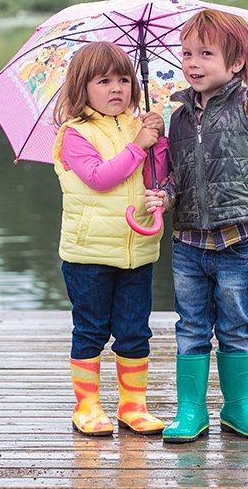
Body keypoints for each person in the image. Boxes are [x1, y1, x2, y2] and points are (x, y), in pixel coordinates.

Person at [143, 9, 248, 443]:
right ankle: (191, 411)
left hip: (237, 239)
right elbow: (176, 175)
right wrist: (165, 195)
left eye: (205, 54)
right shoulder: (176, 118)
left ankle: (238, 408)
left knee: (235, 323)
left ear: (235, 64)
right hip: (188, 241)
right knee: (191, 325)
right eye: (187, 52)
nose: (192, 62)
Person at [51, 41, 169, 436]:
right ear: (82, 87)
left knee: (135, 329)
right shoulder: (75, 133)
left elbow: (154, 177)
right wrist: (138, 146)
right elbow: (100, 179)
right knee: (91, 328)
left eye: (124, 79)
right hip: (89, 254)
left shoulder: (140, 127)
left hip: (137, 250)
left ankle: (132, 405)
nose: (117, 87)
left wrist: (159, 141)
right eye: (104, 80)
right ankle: (86, 406)